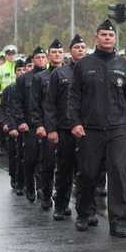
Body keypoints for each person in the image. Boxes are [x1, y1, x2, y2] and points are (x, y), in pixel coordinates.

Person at [68, 19, 126, 237]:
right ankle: (83, 213)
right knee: (88, 173)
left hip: (118, 128)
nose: (108, 38)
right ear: (96, 38)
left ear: (115, 39)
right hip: (90, 128)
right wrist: (75, 122)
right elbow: (74, 98)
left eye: (111, 35)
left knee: (119, 173)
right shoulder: (84, 64)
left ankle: (118, 221)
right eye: (104, 35)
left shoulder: (124, 66)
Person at [45, 34, 87, 221]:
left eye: (82, 47)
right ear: (70, 51)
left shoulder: (91, 71)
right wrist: (51, 129)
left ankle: (87, 210)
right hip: (64, 129)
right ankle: (61, 205)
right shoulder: (59, 74)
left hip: (88, 130)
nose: (80, 50)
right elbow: (50, 104)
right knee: (64, 169)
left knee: (88, 171)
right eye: (76, 47)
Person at [9, 46, 48, 203]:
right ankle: (30, 186)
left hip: (47, 123)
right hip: (30, 124)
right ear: (32, 60)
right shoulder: (24, 79)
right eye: (37, 58)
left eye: (43, 57)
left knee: (46, 160)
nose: (40, 60)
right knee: (31, 158)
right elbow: (17, 102)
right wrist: (21, 121)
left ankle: (43, 189)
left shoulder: (52, 75)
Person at [31, 39, 65, 211]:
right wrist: (39, 124)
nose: (57, 55)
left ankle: (61, 198)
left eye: (60, 52)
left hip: (66, 125)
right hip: (48, 125)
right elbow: (35, 104)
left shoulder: (71, 73)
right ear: (48, 55)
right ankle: (46, 194)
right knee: (48, 163)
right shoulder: (40, 77)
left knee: (67, 165)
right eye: (54, 52)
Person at [0, 59, 25, 192]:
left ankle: (24, 179)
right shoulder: (9, 89)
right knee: (14, 153)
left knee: (26, 154)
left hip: (26, 125)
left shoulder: (30, 87)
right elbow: (3, 108)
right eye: (18, 70)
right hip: (12, 125)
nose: (21, 72)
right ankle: (14, 177)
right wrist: (6, 124)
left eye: (23, 70)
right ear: (15, 73)